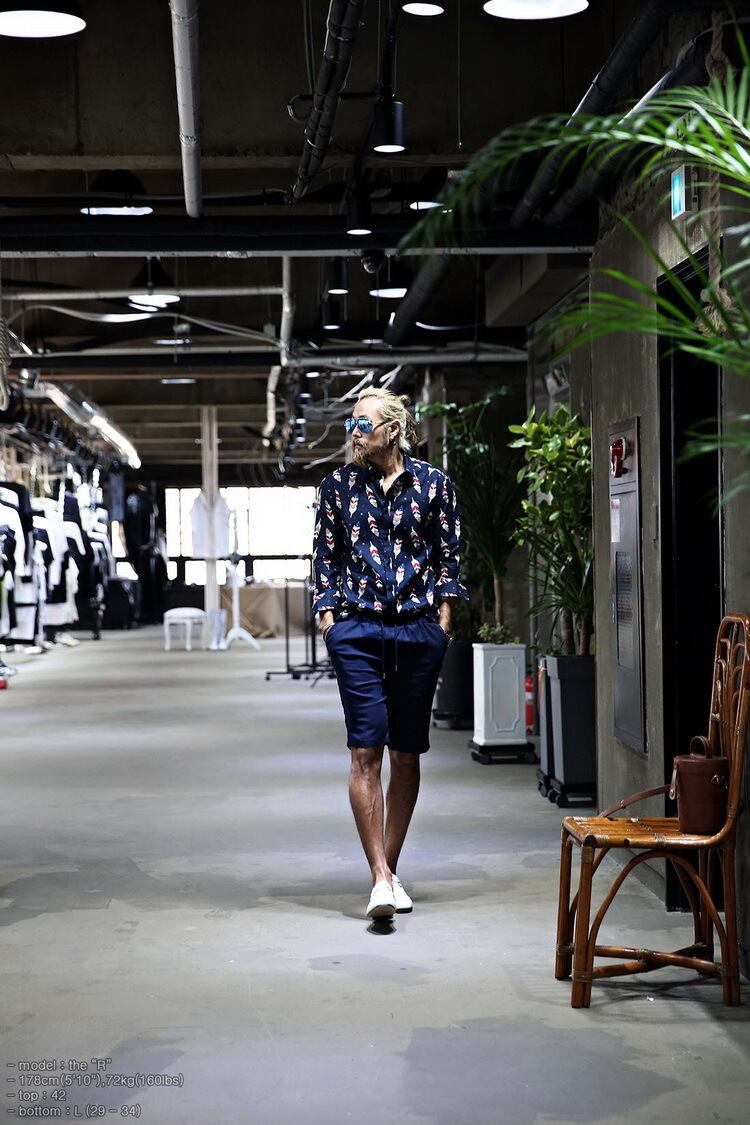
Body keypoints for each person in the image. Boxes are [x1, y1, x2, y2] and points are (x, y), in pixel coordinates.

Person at [312, 387, 467, 920]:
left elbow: (449, 557)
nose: (353, 433)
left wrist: (443, 622)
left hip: (418, 632)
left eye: (363, 423)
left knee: (405, 753)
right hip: (356, 631)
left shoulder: (434, 485)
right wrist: (330, 622)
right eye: (350, 424)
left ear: (393, 430)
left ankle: (389, 869)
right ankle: (379, 877)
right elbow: (324, 558)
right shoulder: (336, 487)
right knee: (365, 751)